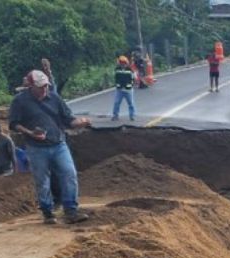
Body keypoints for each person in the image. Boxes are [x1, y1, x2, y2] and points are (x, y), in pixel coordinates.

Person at [8, 70, 91, 224]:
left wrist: (79, 122)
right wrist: (30, 133)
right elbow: (14, 124)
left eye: (46, 86)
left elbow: (68, 120)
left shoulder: (54, 98)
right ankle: (47, 211)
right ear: (31, 86)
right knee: (42, 180)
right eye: (40, 87)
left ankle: (71, 210)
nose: (44, 89)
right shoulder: (20, 101)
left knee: (69, 174)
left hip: (58, 143)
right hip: (36, 147)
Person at [110, 56, 137, 122]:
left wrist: (133, 84)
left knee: (131, 103)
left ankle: (132, 116)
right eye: (121, 63)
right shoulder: (117, 69)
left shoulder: (130, 69)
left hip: (128, 90)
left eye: (124, 63)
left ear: (126, 63)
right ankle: (115, 116)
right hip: (119, 90)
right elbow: (115, 77)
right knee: (116, 103)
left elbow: (135, 77)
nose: (122, 64)